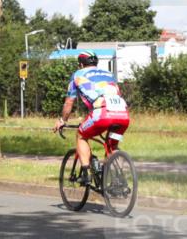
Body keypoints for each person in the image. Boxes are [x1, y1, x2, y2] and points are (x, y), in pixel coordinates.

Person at [53, 51, 130, 185]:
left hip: (103, 114)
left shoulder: (77, 75)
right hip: (123, 116)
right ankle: (118, 179)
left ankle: (85, 174)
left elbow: (69, 102)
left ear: (81, 64)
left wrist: (62, 121)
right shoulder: (109, 75)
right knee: (112, 146)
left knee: (81, 135)